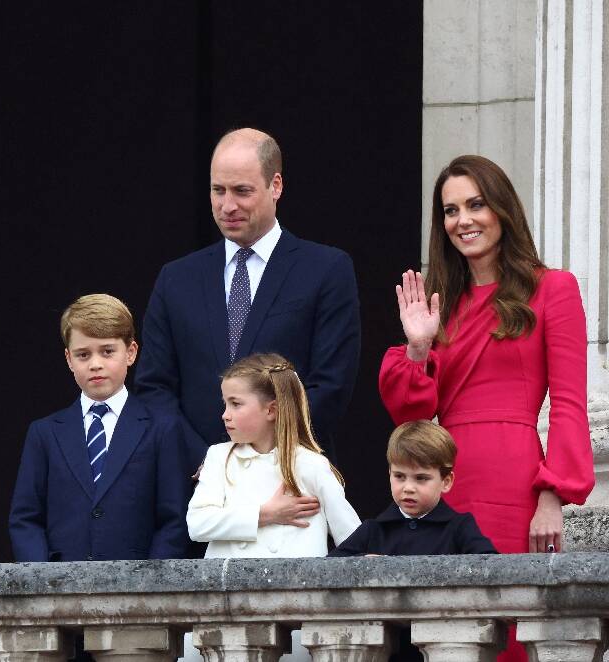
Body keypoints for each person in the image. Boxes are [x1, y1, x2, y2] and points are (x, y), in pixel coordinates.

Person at [380, 155, 594, 662]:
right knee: (448, 629)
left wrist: (552, 495)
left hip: (514, 481)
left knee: (509, 631)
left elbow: (568, 403)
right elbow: (410, 413)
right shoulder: (440, 304)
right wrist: (417, 347)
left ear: (502, 209)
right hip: (447, 479)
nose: (464, 220)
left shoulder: (553, 288)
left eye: (476, 204)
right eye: (451, 211)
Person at [136, 127, 360, 526]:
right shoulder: (176, 279)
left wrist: (271, 459)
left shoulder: (325, 270)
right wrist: (211, 460)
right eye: (217, 191)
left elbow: (331, 383)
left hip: (292, 491)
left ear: (276, 185)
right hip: (198, 491)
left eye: (241, 191)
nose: (227, 205)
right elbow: (155, 387)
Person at [8, 294, 192, 562]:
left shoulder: (162, 428)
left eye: (107, 351)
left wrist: (152, 586)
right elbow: (25, 518)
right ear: (69, 359)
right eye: (83, 354)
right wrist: (42, 580)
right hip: (59, 587)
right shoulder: (44, 433)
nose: (95, 364)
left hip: (138, 586)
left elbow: (173, 519)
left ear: (131, 353)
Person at [187, 353, 360, 558]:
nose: (225, 414)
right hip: (229, 588)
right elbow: (197, 525)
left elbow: (351, 537)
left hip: (293, 588)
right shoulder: (219, 457)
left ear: (271, 410)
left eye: (236, 404)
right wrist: (265, 515)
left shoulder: (311, 464)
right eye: (225, 404)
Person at [329, 420, 497, 557]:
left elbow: (491, 567)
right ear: (389, 473)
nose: (408, 488)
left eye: (421, 478)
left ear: (446, 481)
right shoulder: (373, 530)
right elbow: (327, 568)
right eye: (399, 476)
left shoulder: (459, 528)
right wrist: (361, 563)